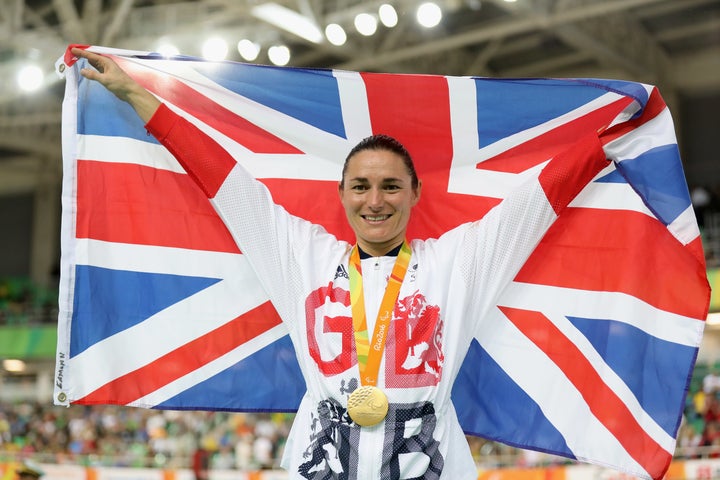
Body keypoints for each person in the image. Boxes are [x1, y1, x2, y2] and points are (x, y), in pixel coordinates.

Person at [69, 47, 609, 479]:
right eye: (362, 186)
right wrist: (137, 94)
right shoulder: (302, 257)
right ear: (342, 194)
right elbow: (225, 183)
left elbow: (530, 208)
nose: (376, 201)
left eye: (391, 186)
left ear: (415, 193)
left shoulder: (456, 263)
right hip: (319, 466)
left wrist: (605, 142)